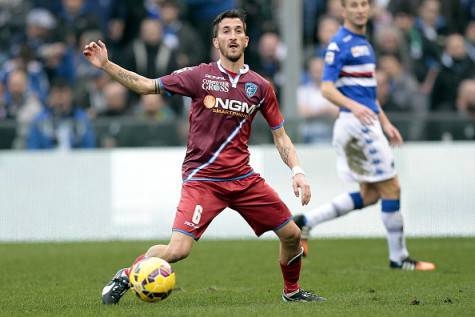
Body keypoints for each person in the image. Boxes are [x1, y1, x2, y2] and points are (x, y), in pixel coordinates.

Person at [83, 9, 325, 304]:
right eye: (226, 31)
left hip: (243, 179)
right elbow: (147, 86)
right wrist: (107, 65)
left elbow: (281, 136)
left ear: (247, 40)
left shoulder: (261, 87)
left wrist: (297, 170)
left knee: (292, 234)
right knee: (177, 251)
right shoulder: (199, 76)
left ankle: (292, 292)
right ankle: (126, 275)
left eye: (238, 30)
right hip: (203, 180)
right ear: (216, 41)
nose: (232, 36)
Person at [293, 0, 436, 271]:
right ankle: (398, 258)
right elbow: (326, 89)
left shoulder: (366, 44)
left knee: (370, 194)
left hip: (367, 123)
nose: (360, 9)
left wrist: (385, 122)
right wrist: (356, 107)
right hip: (355, 125)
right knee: (392, 187)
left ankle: (306, 222)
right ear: (343, 10)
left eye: (363, 4)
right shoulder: (339, 44)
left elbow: (368, 94)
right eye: (353, 5)